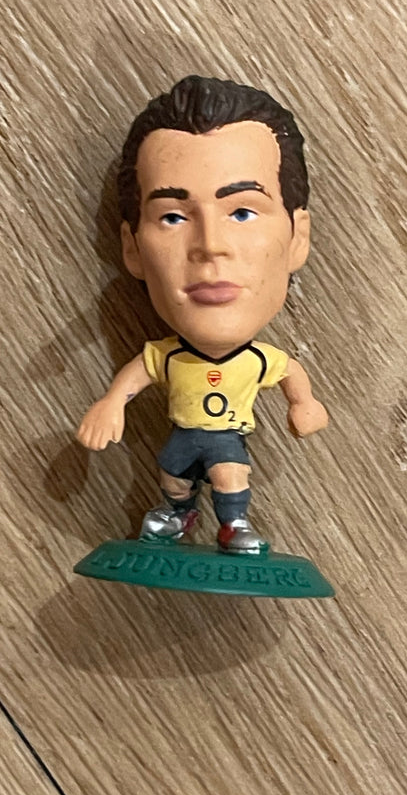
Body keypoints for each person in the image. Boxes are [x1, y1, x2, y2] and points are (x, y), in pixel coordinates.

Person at [77, 75, 329, 554]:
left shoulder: (259, 361)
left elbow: (289, 376)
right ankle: (177, 513)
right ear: (132, 247)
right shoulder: (166, 357)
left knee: (231, 473)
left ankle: (233, 524)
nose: (210, 246)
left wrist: (304, 403)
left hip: (226, 439)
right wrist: (111, 403)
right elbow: (138, 375)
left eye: (242, 212)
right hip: (184, 439)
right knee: (174, 476)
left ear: (297, 237)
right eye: (173, 217)